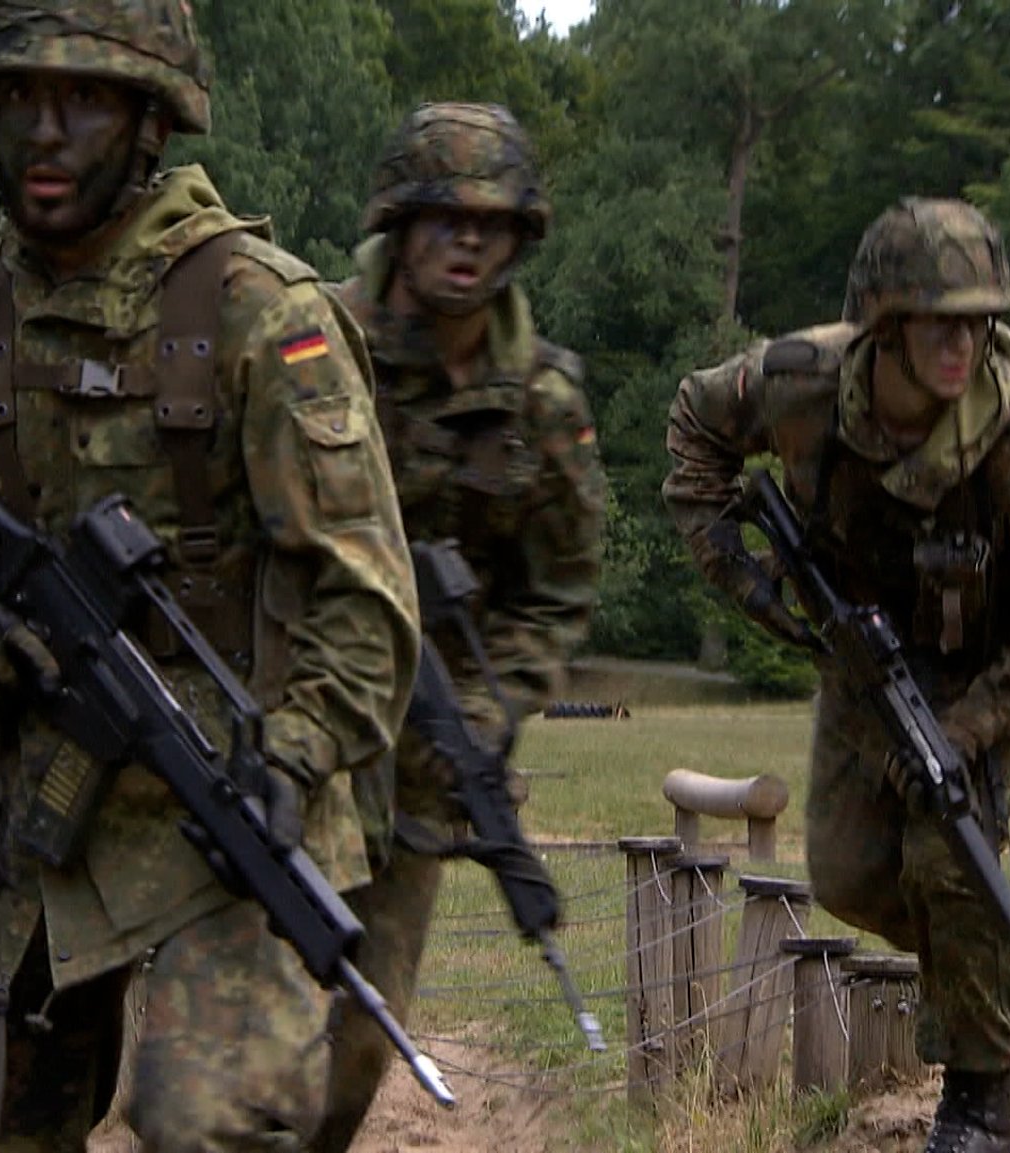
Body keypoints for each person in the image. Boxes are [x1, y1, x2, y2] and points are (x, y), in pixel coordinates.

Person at [0, 2, 419, 1149]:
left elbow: (367, 599)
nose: (45, 133)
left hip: (230, 799)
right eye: (18, 101)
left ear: (151, 120)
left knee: (207, 1121)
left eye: (85, 100)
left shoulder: (259, 311)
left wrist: (293, 753)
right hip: (28, 814)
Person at [661, 197, 1010, 1153]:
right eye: (936, 320)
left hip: (1009, 664)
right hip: (865, 650)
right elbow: (696, 425)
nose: (962, 343)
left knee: (945, 844)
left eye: (978, 320)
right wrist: (738, 572)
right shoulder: (800, 383)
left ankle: (977, 1107)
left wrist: (971, 725)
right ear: (883, 320)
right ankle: (1009, 968)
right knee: (847, 874)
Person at [310, 102, 607, 1153]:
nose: (467, 239)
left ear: (522, 237)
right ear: (399, 222)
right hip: (283, 721)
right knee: (233, 1031)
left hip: (425, 757)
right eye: (443, 216)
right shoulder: (312, 345)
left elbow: (559, 586)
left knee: (359, 1031)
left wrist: (483, 708)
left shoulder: (538, 396)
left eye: (491, 222)